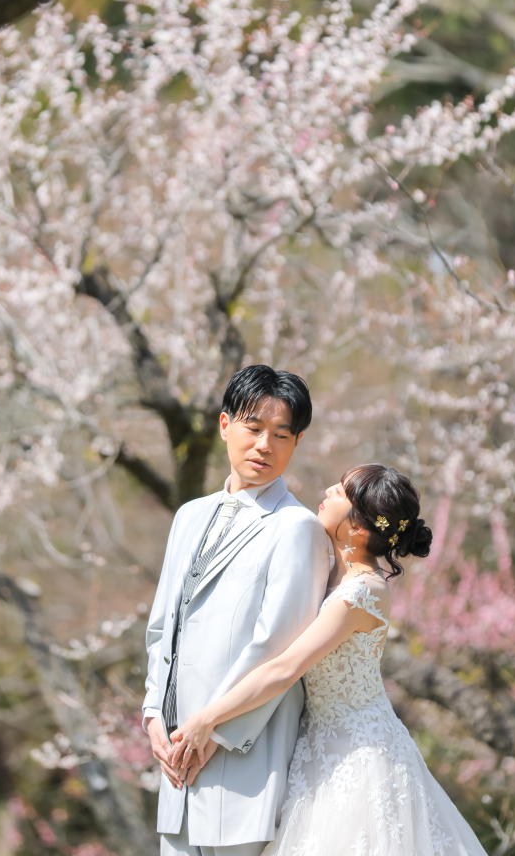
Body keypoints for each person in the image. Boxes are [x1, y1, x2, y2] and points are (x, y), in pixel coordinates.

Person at [169, 464, 488, 856]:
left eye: (339, 492)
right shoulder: (331, 573)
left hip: (357, 755)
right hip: (317, 746)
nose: (327, 489)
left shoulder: (361, 593)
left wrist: (207, 718)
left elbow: (284, 669)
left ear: (357, 527)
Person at [142, 364, 331, 856]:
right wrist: (153, 717)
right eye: (253, 428)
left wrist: (212, 729)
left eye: (281, 434)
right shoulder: (189, 516)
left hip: (245, 765)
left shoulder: (297, 529)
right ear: (226, 425)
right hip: (176, 767)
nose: (264, 445)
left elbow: (278, 650)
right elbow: (164, 628)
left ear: (297, 442)